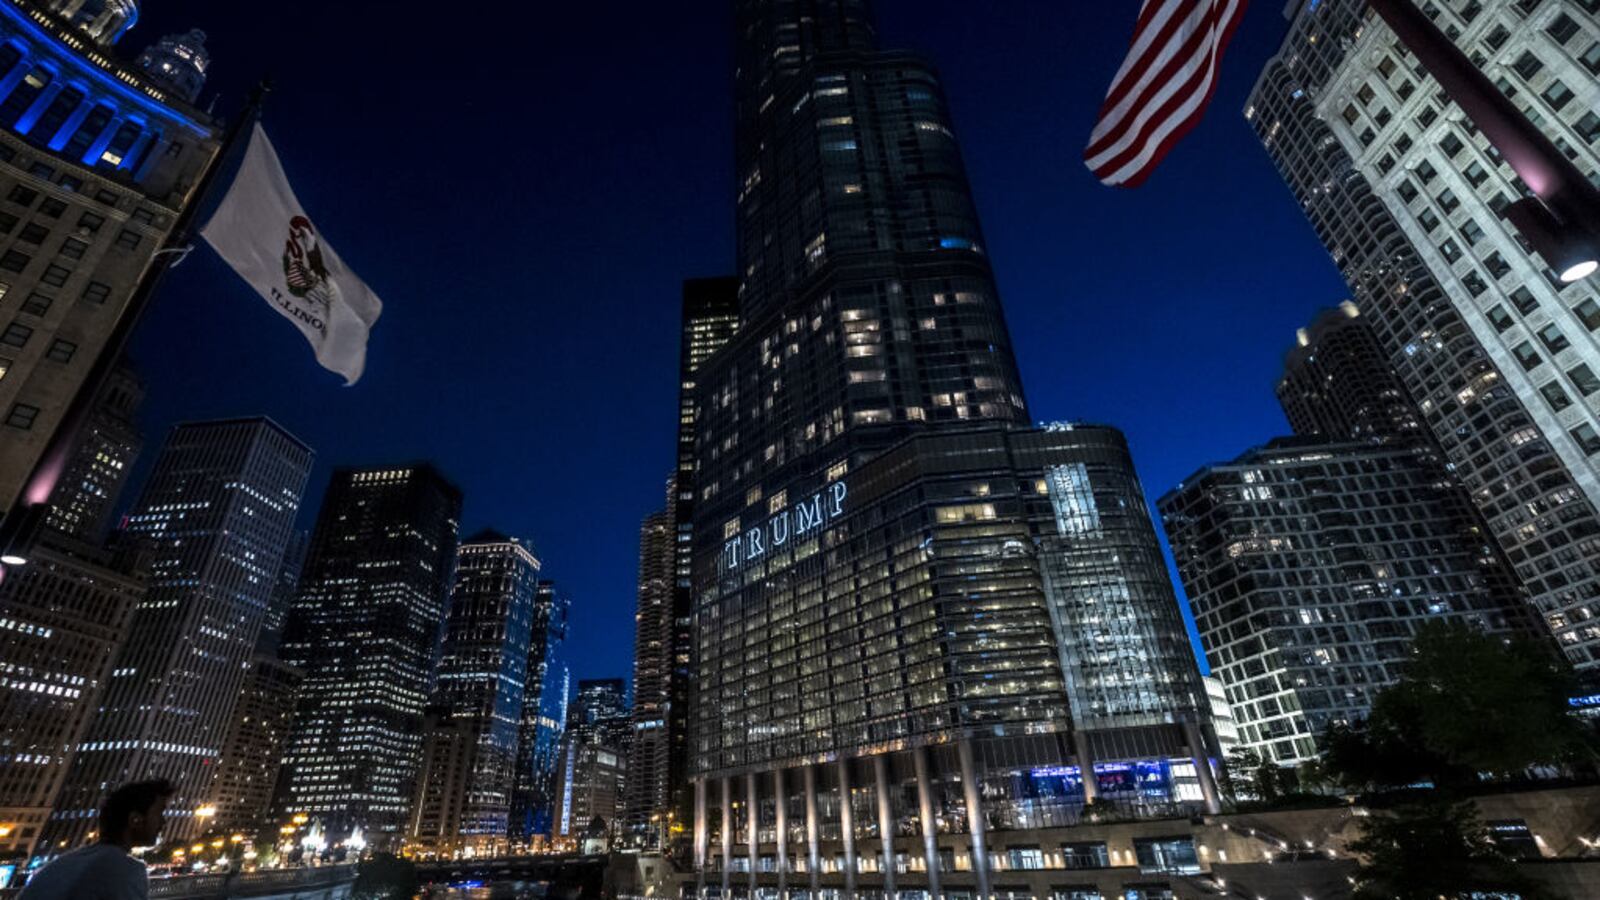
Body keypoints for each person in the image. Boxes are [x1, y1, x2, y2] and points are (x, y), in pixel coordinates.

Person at [19, 779, 173, 900]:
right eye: (160, 814)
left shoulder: (61, 864)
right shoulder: (122, 869)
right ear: (135, 820)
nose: (163, 822)